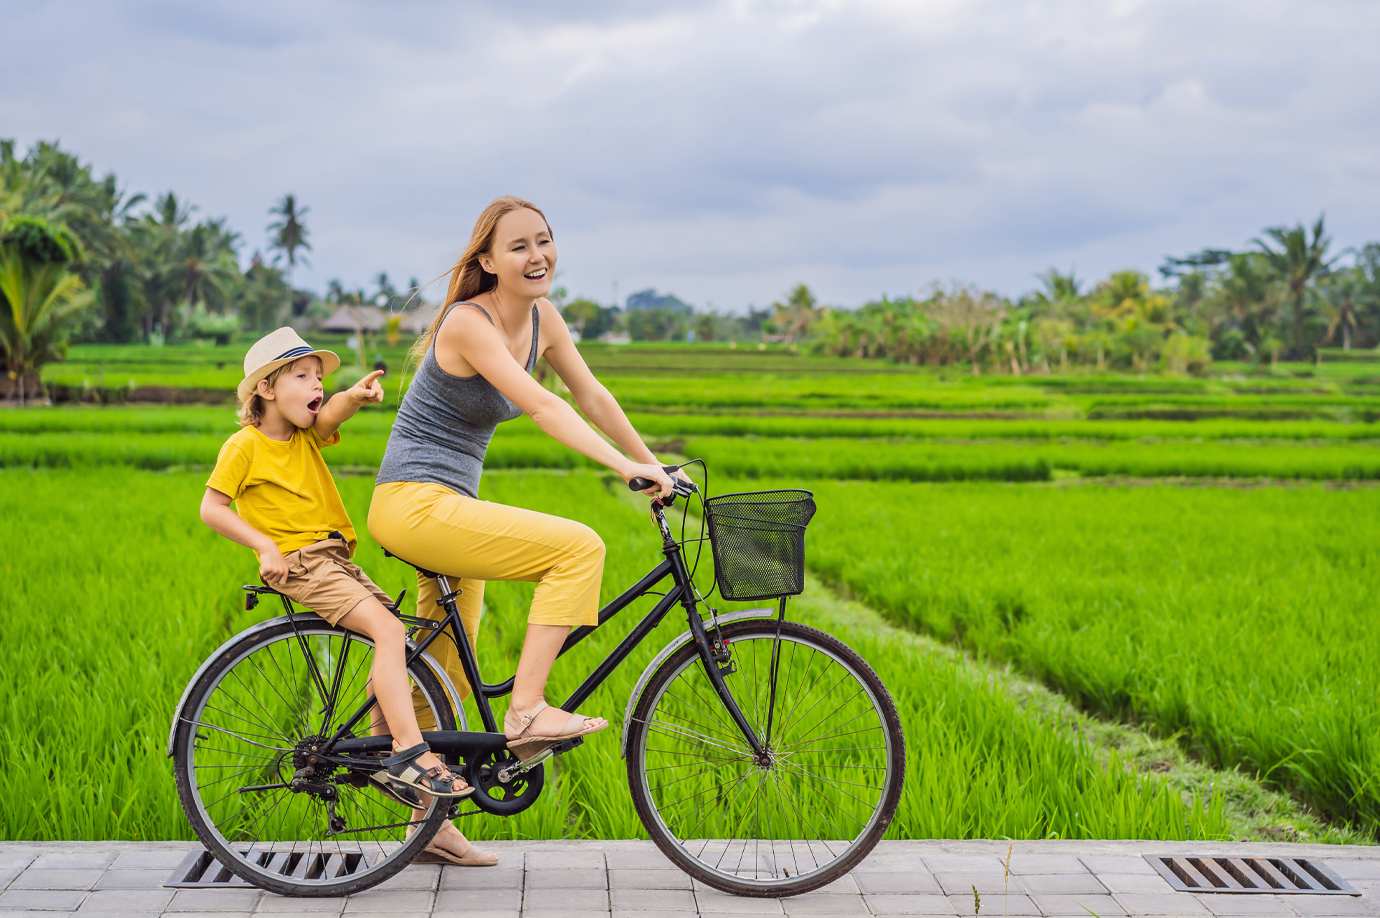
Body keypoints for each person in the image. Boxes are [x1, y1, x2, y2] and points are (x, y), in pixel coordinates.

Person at [368, 195, 679, 863]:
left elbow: (591, 394)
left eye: (545, 240)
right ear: (487, 260)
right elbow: (541, 403)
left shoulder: (544, 319)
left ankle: (428, 825)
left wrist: (653, 463)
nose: (537, 255)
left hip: (445, 508)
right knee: (577, 547)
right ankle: (527, 712)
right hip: (414, 503)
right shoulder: (467, 323)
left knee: (448, 664)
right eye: (518, 246)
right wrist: (624, 467)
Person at [199, 328, 474, 818]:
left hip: (334, 559)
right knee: (388, 631)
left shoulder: (304, 434)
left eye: (319, 377)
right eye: (302, 376)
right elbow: (212, 508)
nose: (316, 386)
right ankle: (411, 752)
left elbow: (330, 415)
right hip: (300, 560)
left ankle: (381, 747)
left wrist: (356, 395)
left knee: (393, 641)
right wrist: (264, 546)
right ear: (265, 388)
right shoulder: (245, 446)